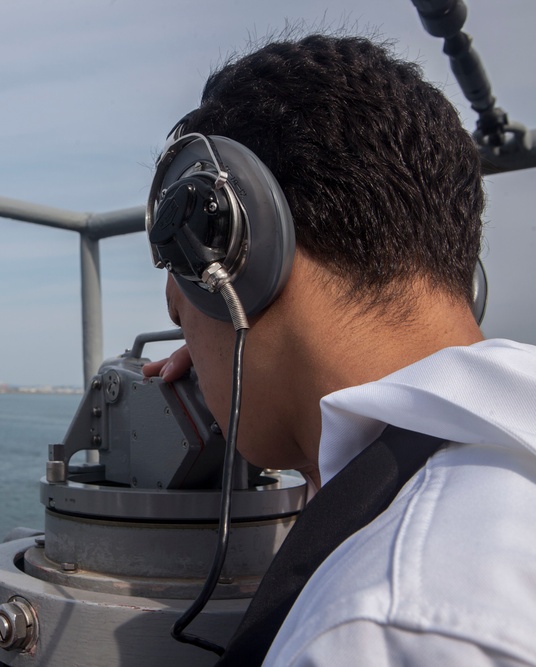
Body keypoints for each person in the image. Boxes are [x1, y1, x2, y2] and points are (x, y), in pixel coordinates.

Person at [143, 34, 536, 665]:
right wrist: (294, 420)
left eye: (182, 307)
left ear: (243, 259)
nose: (183, 330)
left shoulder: (385, 625)